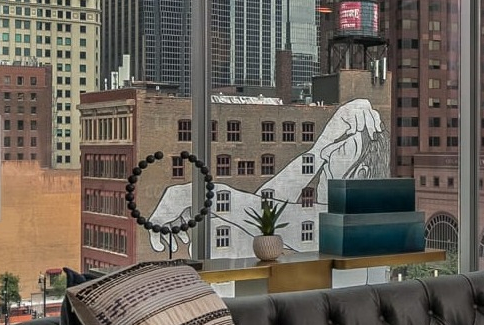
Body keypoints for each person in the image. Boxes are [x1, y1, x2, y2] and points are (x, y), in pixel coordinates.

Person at [145, 99, 390, 259]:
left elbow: (264, 212)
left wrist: (195, 195)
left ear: (361, 175)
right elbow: (269, 203)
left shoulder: (349, 226)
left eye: (342, 148)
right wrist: (319, 148)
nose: (328, 154)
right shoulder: (334, 219)